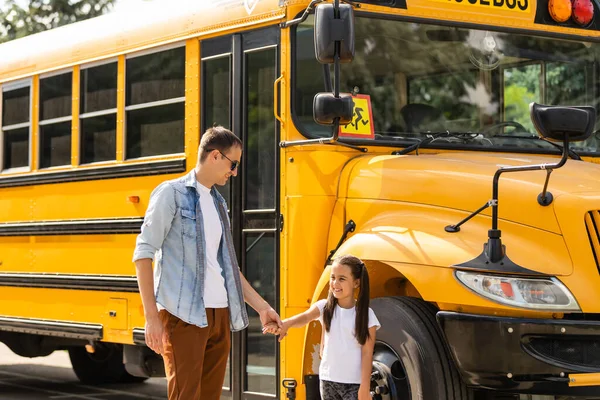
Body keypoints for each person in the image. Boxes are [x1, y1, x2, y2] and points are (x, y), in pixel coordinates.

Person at [133, 126, 282, 400]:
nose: (234, 172)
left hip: (219, 315)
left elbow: (228, 267)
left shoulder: (218, 203)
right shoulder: (171, 194)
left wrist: (262, 307)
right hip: (183, 316)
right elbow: (143, 254)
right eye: (232, 163)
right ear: (215, 156)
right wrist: (151, 317)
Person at [263, 254, 379, 400]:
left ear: (356, 283)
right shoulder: (325, 307)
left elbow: (367, 353)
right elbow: (304, 317)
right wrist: (285, 324)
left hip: (354, 384)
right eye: (333, 277)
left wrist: (365, 387)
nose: (335, 283)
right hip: (327, 380)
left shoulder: (366, 314)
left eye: (341, 279)